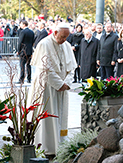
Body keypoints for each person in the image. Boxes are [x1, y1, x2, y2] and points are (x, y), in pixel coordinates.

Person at [29, 23, 77, 155]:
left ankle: (60, 145)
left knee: (60, 116)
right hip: (47, 89)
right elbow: (44, 70)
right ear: (55, 33)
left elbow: (72, 68)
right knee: (48, 118)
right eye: (62, 37)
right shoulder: (44, 44)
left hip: (62, 89)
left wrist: (67, 83)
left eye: (66, 37)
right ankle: (46, 147)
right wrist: (59, 84)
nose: (64, 40)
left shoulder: (66, 45)